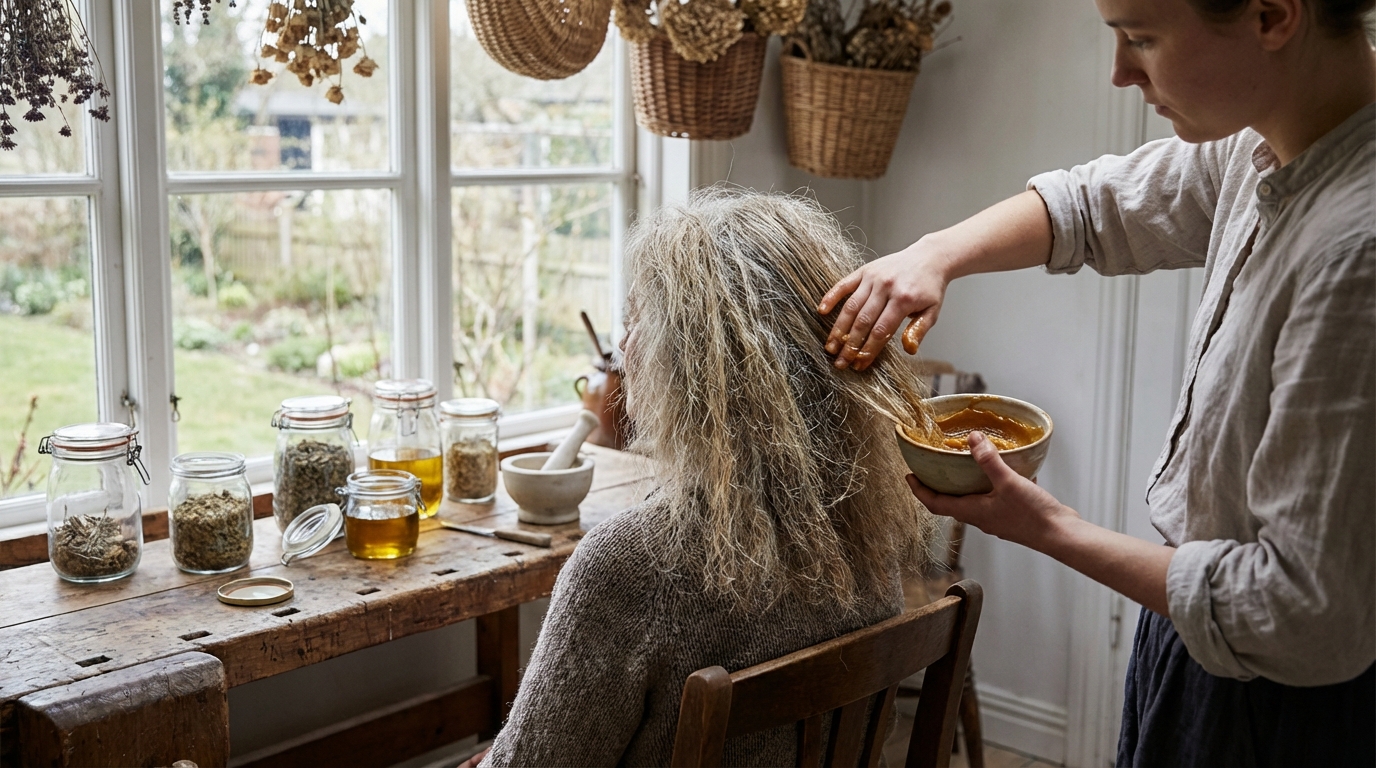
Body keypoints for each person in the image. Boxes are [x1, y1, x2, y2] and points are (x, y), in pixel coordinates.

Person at [817, 0, 1374, 764]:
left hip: (1280, 705)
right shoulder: (1267, 141)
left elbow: (1302, 614)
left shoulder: (1356, 256)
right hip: (1189, 632)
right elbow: (1101, 203)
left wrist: (1046, 527)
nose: (1119, 72)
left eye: (1142, 38)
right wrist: (936, 254)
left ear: (1273, 16)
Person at [474, 189, 937, 767]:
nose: (623, 345)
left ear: (686, 365)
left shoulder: (629, 568)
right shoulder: (865, 535)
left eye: (635, 319)